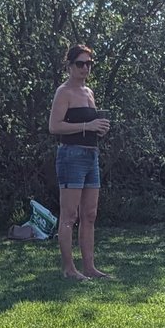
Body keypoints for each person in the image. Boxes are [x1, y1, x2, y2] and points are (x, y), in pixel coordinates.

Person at [48, 44, 110, 280]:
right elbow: (54, 126)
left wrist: (99, 129)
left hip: (90, 155)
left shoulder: (89, 92)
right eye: (80, 64)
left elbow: (90, 125)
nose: (85, 68)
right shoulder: (64, 92)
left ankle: (90, 267)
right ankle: (69, 269)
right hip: (71, 156)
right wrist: (87, 126)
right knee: (70, 215)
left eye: (89, 64)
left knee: (90, 214)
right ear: (70, 66)